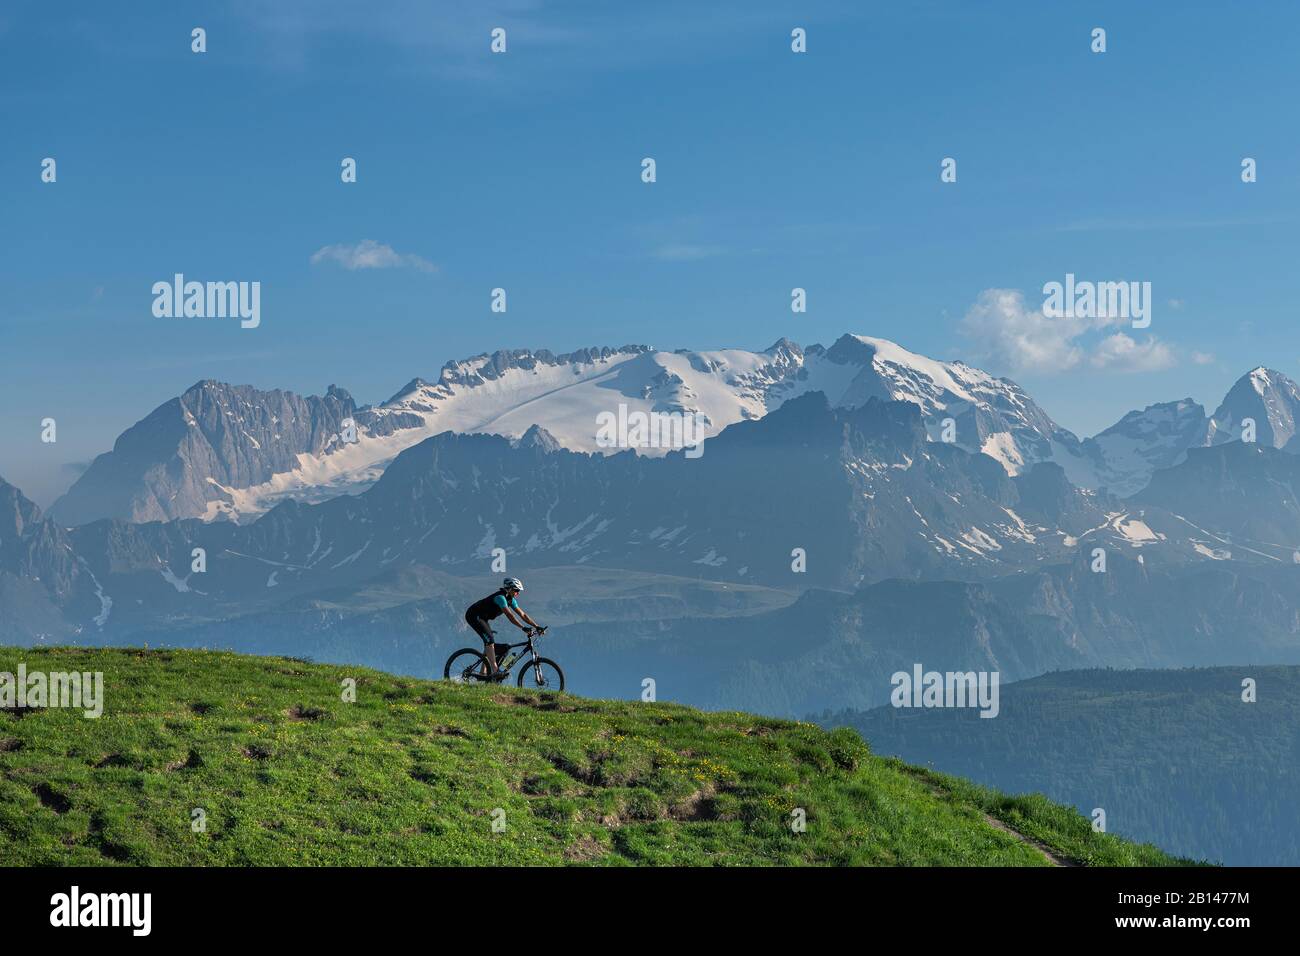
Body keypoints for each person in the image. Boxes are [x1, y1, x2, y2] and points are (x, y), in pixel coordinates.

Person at [464, 577, 544, 678]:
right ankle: (495, 670)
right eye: (516, 590)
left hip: (483, 618)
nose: (518, 593)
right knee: (490, 641)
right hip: (474, 615)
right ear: (509, 589)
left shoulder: (511, 600)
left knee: (503, 647)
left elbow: (522, 614)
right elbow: (510, 615)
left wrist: (536, 626)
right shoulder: (500, 598)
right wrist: (523, 627)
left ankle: (482, 674)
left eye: (518, 591)